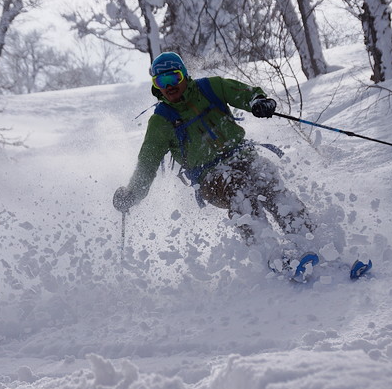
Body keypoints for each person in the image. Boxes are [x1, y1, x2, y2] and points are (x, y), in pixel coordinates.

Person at [113, 52, 323, 275]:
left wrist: (257, 101)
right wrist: (131, 195)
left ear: (184, 75)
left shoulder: (211, 88)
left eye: (173, 78)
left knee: (266, 175)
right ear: (155, 85)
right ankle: (270, 254)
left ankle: (309, 239)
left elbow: (242, 93)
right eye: (161, 81)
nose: (169, 86)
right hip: (209, 177)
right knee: (237, 185)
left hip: (243, 156)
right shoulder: (161, 120)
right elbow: (147, 164)